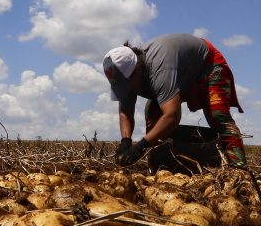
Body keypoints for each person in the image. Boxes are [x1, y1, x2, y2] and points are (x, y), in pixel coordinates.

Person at [103, 33, 247, 168]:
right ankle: (161, 167)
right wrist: (126, 141)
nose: (126, 90)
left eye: (127, 85)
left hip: (207, 64)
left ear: (138, 70)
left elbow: (172, 115)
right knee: (153, 115)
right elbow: (125, 113)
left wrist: (141, 145)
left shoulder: (159, 71)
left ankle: (240, 169)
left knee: (217, 114)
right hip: (180, 75)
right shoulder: (127, 75)